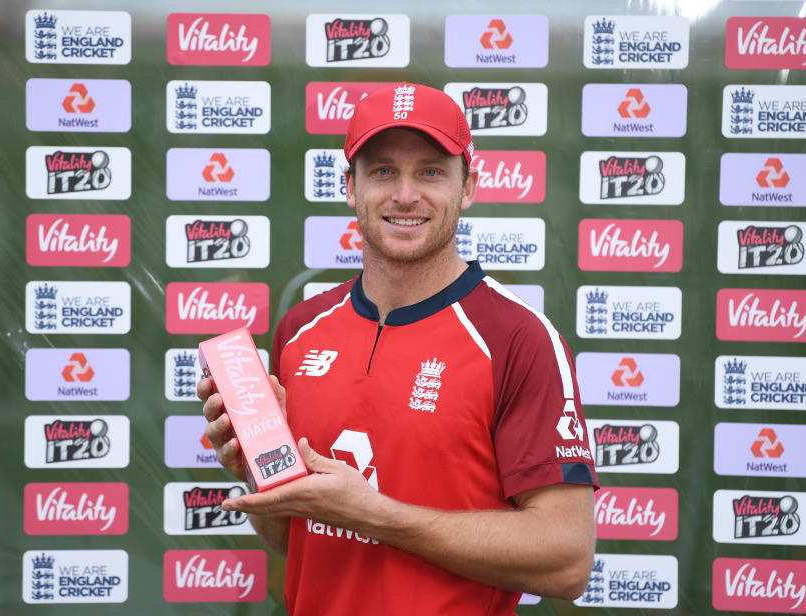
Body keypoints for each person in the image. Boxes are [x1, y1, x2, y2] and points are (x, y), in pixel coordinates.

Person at [200, 82, 598, 615]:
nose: (405, 195)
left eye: (430, 171)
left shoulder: (517, 338)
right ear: (350, 187)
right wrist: (257, 469)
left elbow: (567, 561)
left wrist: (375, 514)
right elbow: (293, 541)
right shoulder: (300, 329)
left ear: (468, 187)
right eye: (383, 170)